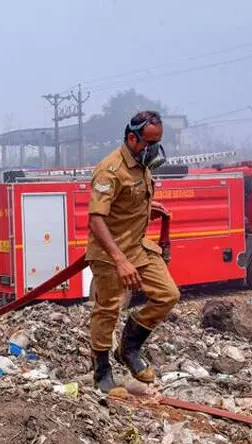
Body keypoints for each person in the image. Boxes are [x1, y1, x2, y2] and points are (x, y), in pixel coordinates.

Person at [87, 110, 180, 393]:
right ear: (132, 137)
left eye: (158, 141)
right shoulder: (110, 169)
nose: (154, 149)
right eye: (150, 142)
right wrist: (119, 261)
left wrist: (147, 209)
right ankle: (102, 372)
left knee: (168, 294)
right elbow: (96, 218)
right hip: (110, 254)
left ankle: (129, 347)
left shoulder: (143, 165)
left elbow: (127, 201)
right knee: (108, 309)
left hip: (138, 247)